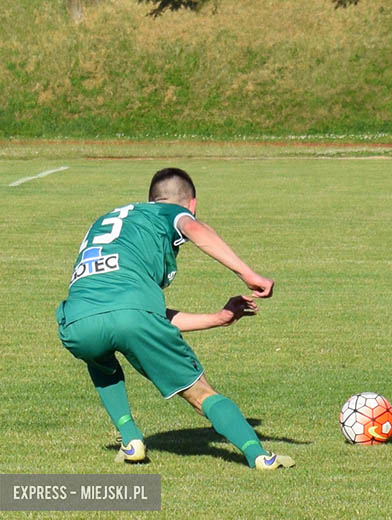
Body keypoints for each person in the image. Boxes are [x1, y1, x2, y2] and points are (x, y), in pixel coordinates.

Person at [56, 167, 295, 469]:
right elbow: (194, 230)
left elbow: (134, 314)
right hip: (133, 314)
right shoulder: (169, 212)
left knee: (99, 358)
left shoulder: (106, 223)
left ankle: (131, 439)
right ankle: (259, 455)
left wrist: (217, 318)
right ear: (191, 204)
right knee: (201, 394)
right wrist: (248, 274)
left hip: (77, 321)